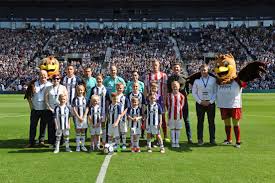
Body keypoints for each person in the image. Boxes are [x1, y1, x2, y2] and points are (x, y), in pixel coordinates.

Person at [25, 70, 52, 147]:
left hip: (45, 109)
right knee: (33, 126)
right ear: (39, 76)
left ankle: (41, 140)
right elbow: (28, 96)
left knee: (43, 126)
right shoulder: (33, 84)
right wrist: (31, 106)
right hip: (35, 109)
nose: (43, 76)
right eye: (41, 75)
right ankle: (31, 142)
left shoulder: (50, 85)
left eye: (44, 75)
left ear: (47, 76)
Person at [167, 62, 193, 144]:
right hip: (173, 103)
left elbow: (188, 90)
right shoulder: (170, 79)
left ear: (180, 68)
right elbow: (168, 90)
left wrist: (184, 95)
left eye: (177, 68)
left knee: (186, 120)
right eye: (174, 68)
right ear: (172, 69)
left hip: (183, 102)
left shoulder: (184, 77)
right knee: (173, 120)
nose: (176, 69)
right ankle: (174, 139)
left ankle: (190, 138)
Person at [192, 64, 217, 145]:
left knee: (211, 122)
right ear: (200, 71)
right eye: (202, 70)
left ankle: (212, 139)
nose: (203, 71)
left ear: (208, 70)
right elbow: (194, 93)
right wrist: (200, 101)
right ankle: (200, 139)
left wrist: (210, 101)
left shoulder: (213, 80)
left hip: (211, 103)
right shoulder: (196, 81)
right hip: (200, 104)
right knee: (200, 122)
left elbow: (215, 92)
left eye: (205, 70)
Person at [144, 59, 168, 141]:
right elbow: (146, 88)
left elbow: (165, 88)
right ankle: (152, 136)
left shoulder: (163, 75)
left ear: (159, 66)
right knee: (151, 117)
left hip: (160, 100)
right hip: (151, 99)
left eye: (156, 65)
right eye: (153, 65)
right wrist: (147, 98)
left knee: (162, 117)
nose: (155, 67)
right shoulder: (148, 76)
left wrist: (164, 99)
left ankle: (165, 136)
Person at [45, 74, 68, 148]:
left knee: (60, 126)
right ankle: (52, 142)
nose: (56, 80)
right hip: (51, 110)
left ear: (60, 80)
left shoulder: (63, 87)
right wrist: (49, 107)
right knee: (51, 126)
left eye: (58, 79)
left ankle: (60, 142)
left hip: (60, 109)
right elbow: (46, 98)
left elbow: (66, 97)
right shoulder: (48, 88)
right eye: (54, 79)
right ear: (52, 80)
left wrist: (63, 106)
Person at [90, 74, 109, 145]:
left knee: (103, 125)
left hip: (103, 110)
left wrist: (107, 110)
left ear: (102, 80)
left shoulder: (105, 89)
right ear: (96, 80)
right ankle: (95, 142)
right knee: (95, 125)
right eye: (97, 79)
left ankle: (103, 141)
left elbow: (108, 100)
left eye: (100, 79)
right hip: (94, 111)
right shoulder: (93, 89)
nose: (99, 80)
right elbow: (91, 99)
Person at [166, 81, 185, 148]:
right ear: (171, 87)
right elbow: (167, 105)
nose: (175, 87)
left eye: (176, 85)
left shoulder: (182, 96)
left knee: (178, 128)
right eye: (173, 85)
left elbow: (182, 106)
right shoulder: (168, 95)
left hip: (178, 115)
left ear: (179, 87)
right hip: (171, 114)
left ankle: (177, 141)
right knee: (172, 128)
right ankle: (173, 141)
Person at [72, 84, 89, 152]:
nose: (80, 91)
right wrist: (78, 117)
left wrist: (84, 116)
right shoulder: (75, 99)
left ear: (84, 90)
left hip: (84, 118)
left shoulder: (86, 99)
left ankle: (83, 145)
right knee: (78, 131)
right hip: (77, 118)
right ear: (77, 90)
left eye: (81, 90)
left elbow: (87, 108)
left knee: (83, 131)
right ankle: (78, 146)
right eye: (79, 90)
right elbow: (74, 108)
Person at [116, 83, 130, 150]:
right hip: (115, 117)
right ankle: (117, 143)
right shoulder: (114, 97)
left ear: (123, 89)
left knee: (123, 131)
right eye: (118, 88)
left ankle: (124, 143)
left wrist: (122, 114)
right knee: (117, 131)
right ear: (116, 88)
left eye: (121, 88)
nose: (119, 89)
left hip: (123, 117)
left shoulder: (125, 98)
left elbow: (127, 107)